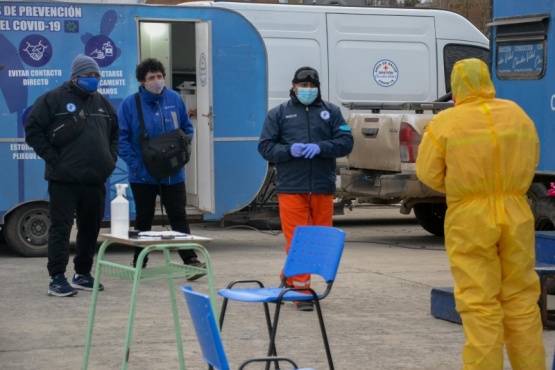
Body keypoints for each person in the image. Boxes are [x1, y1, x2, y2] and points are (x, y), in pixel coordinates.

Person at [416, 58, 546, 369]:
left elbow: (427, 173)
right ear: (489, 82)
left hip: (471, 218)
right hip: (516, 212)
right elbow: (533, 159)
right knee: (522, 302)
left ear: (456, 89)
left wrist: (461, 185)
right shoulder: (517, 115)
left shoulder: (446, 122)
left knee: (480, 305)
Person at [258, 66, 354, 311]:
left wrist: (321, 147)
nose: (308, 90)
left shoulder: (331, 112)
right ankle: (302, 293)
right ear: (293, 86)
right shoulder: (278, 114)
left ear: (318, 88)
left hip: (322, 186)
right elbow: (265, 147)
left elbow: (346, 142)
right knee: (298, 240)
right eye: (303, 85)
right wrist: (288, 150)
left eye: (312, 86)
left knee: (320, 240)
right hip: (291, 187)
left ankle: (287, 276)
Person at [25, 54, 119, 297]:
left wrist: (110, 160)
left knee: (90, 229)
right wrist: (55, 161)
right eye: (89, 76)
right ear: (76, 77)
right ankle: (57, 278)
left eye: (97, 76)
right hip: (64, 180)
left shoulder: (103, 104)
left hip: (95, 180)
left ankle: (82, 274)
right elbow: (33, 131)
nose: (94, 80)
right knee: (61, 229)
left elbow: (115, 133)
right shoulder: (53, 99)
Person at [118, 58, 204, 278]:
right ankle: (139, 261)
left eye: (159, 76)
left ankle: (191, 261)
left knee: (178, 215)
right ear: (142, 81)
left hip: (173, 174)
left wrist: (182, 151)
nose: (157, 81)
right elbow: (121, 138)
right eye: (151, 78)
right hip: (142, 175)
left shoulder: (174, 98)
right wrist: (136, 165)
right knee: (144, 218)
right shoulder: (130, 104)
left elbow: (187, 128)